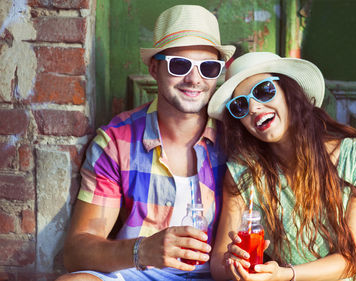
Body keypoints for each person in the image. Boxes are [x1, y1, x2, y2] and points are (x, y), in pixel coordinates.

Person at [56, 5, 235, 281]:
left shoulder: (235, 138)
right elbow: (76, 253)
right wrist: (144, 250)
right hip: (138, 273)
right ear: (154, 67)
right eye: (179, 64)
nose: (194, 79)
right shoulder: (118, 141)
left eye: (208, 67)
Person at [207, 52, 356, 281]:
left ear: (289, 91)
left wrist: (285, 275)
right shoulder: (245, 170)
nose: (253, 108)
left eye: (263, 91)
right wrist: (235, 266)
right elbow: (218, 266)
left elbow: (349, 261)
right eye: (240, 106)